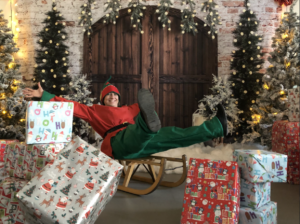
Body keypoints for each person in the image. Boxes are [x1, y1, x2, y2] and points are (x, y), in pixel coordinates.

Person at [22, 77, 228, 159]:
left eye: (115, 94)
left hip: (144, 141)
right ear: (103, 99)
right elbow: (72, 106)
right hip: (118, 142)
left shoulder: (131, 109)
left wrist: (147, 105)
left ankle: (217, 126)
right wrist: (44, 95)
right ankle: (147, 125)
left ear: (119, 99)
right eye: (108, 94)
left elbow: (144, 103)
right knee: (136, 131)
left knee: (175, 133)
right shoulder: (95, 110)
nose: (112, 96)